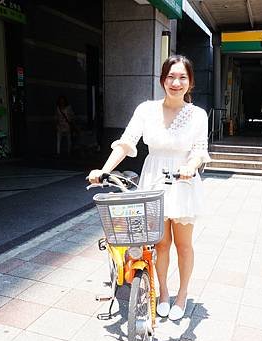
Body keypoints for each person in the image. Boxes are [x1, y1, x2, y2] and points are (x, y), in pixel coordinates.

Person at [87, 55, 210, 322]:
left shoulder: (198, 115)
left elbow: (200, 151)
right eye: (170, 77)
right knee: (160, 244)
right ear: (162, 80)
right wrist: (105, 170)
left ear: (190, 82)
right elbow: (126, 142)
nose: (176, 82)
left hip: (183, 182)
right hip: (154, 179)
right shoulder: (146, 109)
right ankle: (163, 293)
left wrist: (191, 165)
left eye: (182, 77)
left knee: (183, 245)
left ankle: (182, 295)